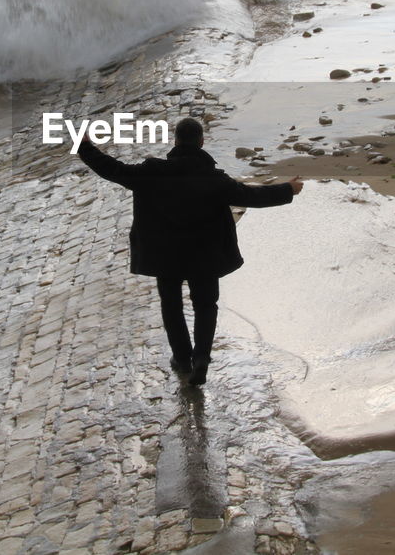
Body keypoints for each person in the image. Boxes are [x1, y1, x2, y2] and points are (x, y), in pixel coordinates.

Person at [77, 117, 302, 386]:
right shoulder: (213, 179)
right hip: (205, 257)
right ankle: (202, 359)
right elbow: (250, 197)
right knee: (206, 305)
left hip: (165, 256)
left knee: (171, 306)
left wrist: (84, 146)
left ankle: (182, 359)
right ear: (202, 141)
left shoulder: (152, 172)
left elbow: (111, 169)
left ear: (175, 141)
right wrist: (288, 189)